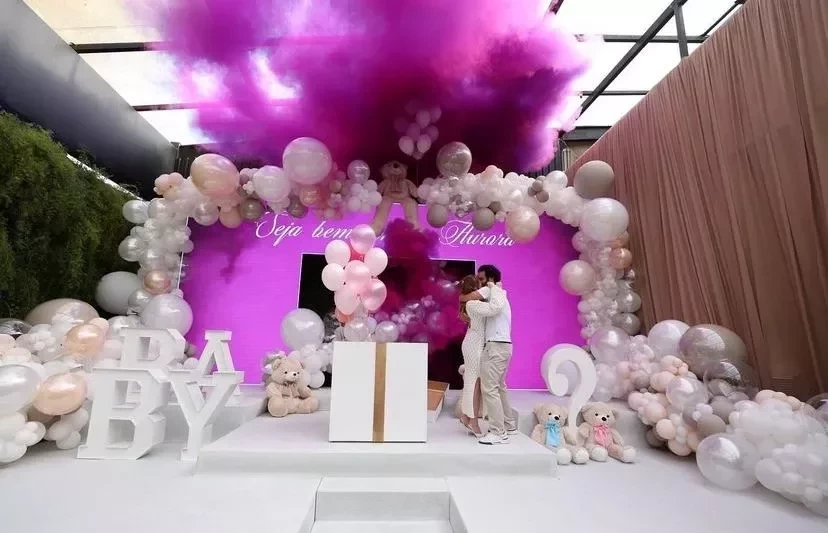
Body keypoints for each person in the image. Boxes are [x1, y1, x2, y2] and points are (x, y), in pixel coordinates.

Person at [460, 264, 516, 445]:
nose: (480, 284)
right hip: (484, 345)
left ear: (490, 280)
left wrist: (492, 287)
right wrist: (464, 298)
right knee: (485, 385)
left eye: (482, 279)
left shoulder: (494, 293)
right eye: (477, 281)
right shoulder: (487, 298)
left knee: (489, 388)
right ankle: (503, 425)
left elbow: (494, 307)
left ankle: (497, 430)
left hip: (493, 345)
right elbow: (474, 300)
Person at [458, 275, 485, 437]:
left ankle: (466, 416)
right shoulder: (474, 304)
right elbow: (494, 308)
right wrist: (497, 290)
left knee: (475, 383)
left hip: (475, 344)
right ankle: (472, 420)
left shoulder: (473, 302)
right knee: (473, 383)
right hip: (473, 345)